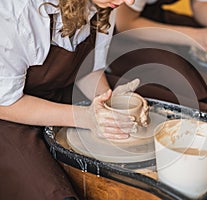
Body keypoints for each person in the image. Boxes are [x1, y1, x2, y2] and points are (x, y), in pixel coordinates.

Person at [0, 0, 137, 199]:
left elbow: (89, 69)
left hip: (59, 92)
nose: (129, 1)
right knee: (54, 192)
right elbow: (5, 103)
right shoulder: (19, 10)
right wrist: (85, 118)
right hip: (10, 115)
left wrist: (110, 103)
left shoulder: (107, 4)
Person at [115, 0, 207, 52]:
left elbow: (201, 4)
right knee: (175, 73)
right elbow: (125, 23)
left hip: (151, 11)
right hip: (110, 27)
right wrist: (193, 37)